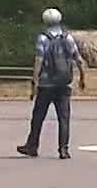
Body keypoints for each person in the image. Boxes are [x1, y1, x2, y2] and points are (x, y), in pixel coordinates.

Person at [20, 8, 85, 158]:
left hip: (46, 85)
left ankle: (32, 146)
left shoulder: (43, 38)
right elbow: (78, 58)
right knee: (64, 118)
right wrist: (82, 77)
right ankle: (63, 149)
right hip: (64, 84)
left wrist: (34, 82)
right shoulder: (67, 37)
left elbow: (39, 61)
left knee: (38, 116)